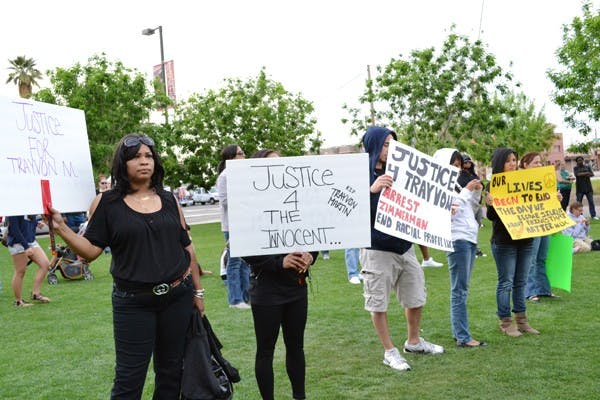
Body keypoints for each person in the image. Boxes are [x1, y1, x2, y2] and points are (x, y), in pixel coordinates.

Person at [48, 133, 205, 399]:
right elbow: (90, 251)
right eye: (136, 157)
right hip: (133, 303)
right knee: (129, 380)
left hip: (178, 297)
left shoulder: (169, 199)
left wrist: (198, 293)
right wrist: (62, 228)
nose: (144, 162)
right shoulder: (107, 203)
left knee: (171, 373)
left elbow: (187, 247)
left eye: (148, 156)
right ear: (123, 163)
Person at [361, 126, 444, 372]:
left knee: (416, 296)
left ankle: (414, 341)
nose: (391, 149)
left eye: (393, 144)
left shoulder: (401, 172)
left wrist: (441, 211)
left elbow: (421, 203)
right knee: (378, 303)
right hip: (377, 249)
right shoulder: (358, 174)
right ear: (374, 145)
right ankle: (390, 351)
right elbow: (347, 210)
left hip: (404, 247)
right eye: (386, 144)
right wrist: (371, 190)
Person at [242, 148, 319, 400]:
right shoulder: (249, 205)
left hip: (296, 288)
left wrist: (310, 255)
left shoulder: (298, 199)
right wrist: (280, 261)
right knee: (266, 350)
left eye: (280, 163)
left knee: (296, 347)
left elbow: (314, 235)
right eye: (270, 165)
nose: (277, 168)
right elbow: (245, 251)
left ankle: (300, 396)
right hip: (266, 290)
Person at [433, 148, 487, 348]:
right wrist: (466, 191)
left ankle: (461, 334)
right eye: (452, 165)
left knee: (462, 288)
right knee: (459, 290)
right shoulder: (439, 187)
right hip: (457, 239)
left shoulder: (456, 186)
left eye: (457, 165)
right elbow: (450, 210)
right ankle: (463, 336)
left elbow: (470, 207)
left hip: (469, 237)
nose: (456, 169)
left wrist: (476, 190)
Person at [485, 148, 539, 337]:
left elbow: (538, 205)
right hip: (504, 242)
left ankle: (522, 320)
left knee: (521, 282)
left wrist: (553, 199)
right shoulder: (493, 185)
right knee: (506, 282)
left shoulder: (526, 182)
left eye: (515, 160)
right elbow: (491, 217)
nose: (513, 164)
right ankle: (506, 322)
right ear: (500, 164)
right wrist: (490, 204)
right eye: (508, 161)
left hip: (525, 240)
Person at [520, 152, 560, 302]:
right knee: (531, 259)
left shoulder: (544, 180)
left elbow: (548, 201)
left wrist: (556, 199)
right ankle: (530, 292)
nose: (539, 165)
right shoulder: (520, 181)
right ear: (525, 165)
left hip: (544, 223)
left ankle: (544, 290)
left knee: (542, 258)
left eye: (539, 163)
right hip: (531, 224)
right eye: (535, 162)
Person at [216, 143, 251, 309]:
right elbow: (225, 201)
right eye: (240, 153)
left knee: (246, 263)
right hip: (232, 226)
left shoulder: (244, 174)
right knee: (235, 262)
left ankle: (245, 297)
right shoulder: (224, 176)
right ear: (231, 157)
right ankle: (235, 300)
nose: (243, 156)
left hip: (245, 223)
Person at [6, 215, 52, 306]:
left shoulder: (29, 204)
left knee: (45, 264)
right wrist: (26, 247)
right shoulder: (13, 207)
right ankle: (18, 301)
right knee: (20, 271)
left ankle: (36, 294)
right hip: (17, 243)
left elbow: (26, 221)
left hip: (31, 241)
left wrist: (36, 223)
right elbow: (15, 229)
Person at [458, 153, 486, 257]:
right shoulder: (460, 176)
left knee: (476, 226)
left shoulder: (473, 174)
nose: (468, 163)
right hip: (467, 204)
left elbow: (480, 185)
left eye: (469, 161)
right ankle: (473, 250)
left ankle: (475, 249)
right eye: (465, 162)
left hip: (477, 204)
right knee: (468, 227)